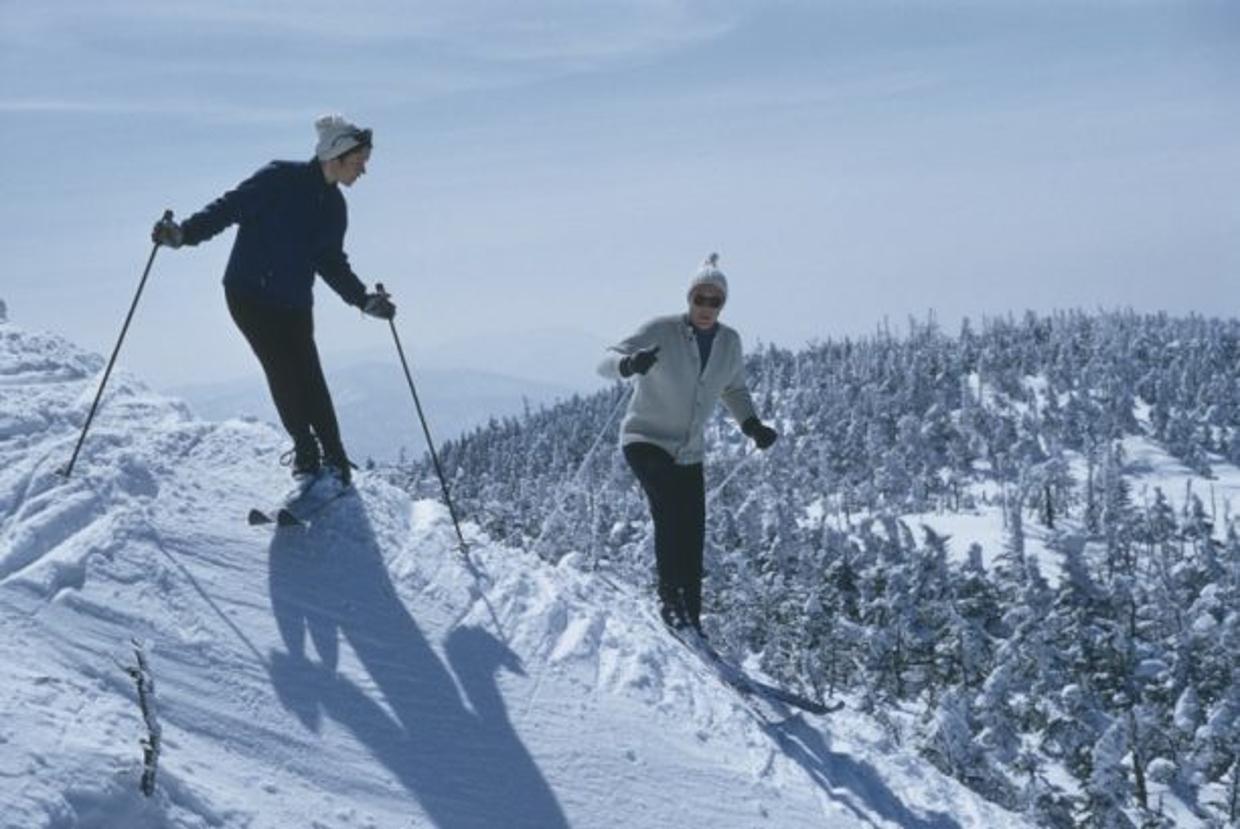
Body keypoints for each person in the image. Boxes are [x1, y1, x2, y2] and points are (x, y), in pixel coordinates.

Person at [151, 114, 396, 486]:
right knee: (283, 369)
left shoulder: (334, 208)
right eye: (360, 162)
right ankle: (306, 453)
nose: (363, 171)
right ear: (338, 155)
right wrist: (184, 234)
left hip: (295, 302)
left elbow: (330, 262)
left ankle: (335, 456)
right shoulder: (279, 178)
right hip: (249, 295)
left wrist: (363, 300)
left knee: (310, 374)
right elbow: (227, 209)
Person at [598, 254, 779, 633]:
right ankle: (671, 602)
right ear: (689, 298)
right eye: (701, 299)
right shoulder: (661, 330)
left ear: (723, 305)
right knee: (669, 509)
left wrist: (751, 424)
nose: (707, 308)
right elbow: (606, 360)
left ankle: (691, 618)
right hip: (644, 438)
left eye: (716, 301)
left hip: (689, 452)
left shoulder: (729, 342)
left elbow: (734, 388)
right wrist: (630, 364)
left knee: (693, 530)